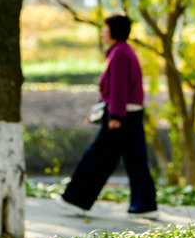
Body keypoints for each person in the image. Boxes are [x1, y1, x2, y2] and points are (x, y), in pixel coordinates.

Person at [55, 14, 158, 218]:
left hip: (122, 117)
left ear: (114, 31)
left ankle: (75, 200)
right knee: (135, 160)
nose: (103, 31)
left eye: (105, 28)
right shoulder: (123, 51)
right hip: (130, 115)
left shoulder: (119, 53)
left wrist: (115, 117)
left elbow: (119, 88)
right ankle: (145, 206)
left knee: (97, 157)